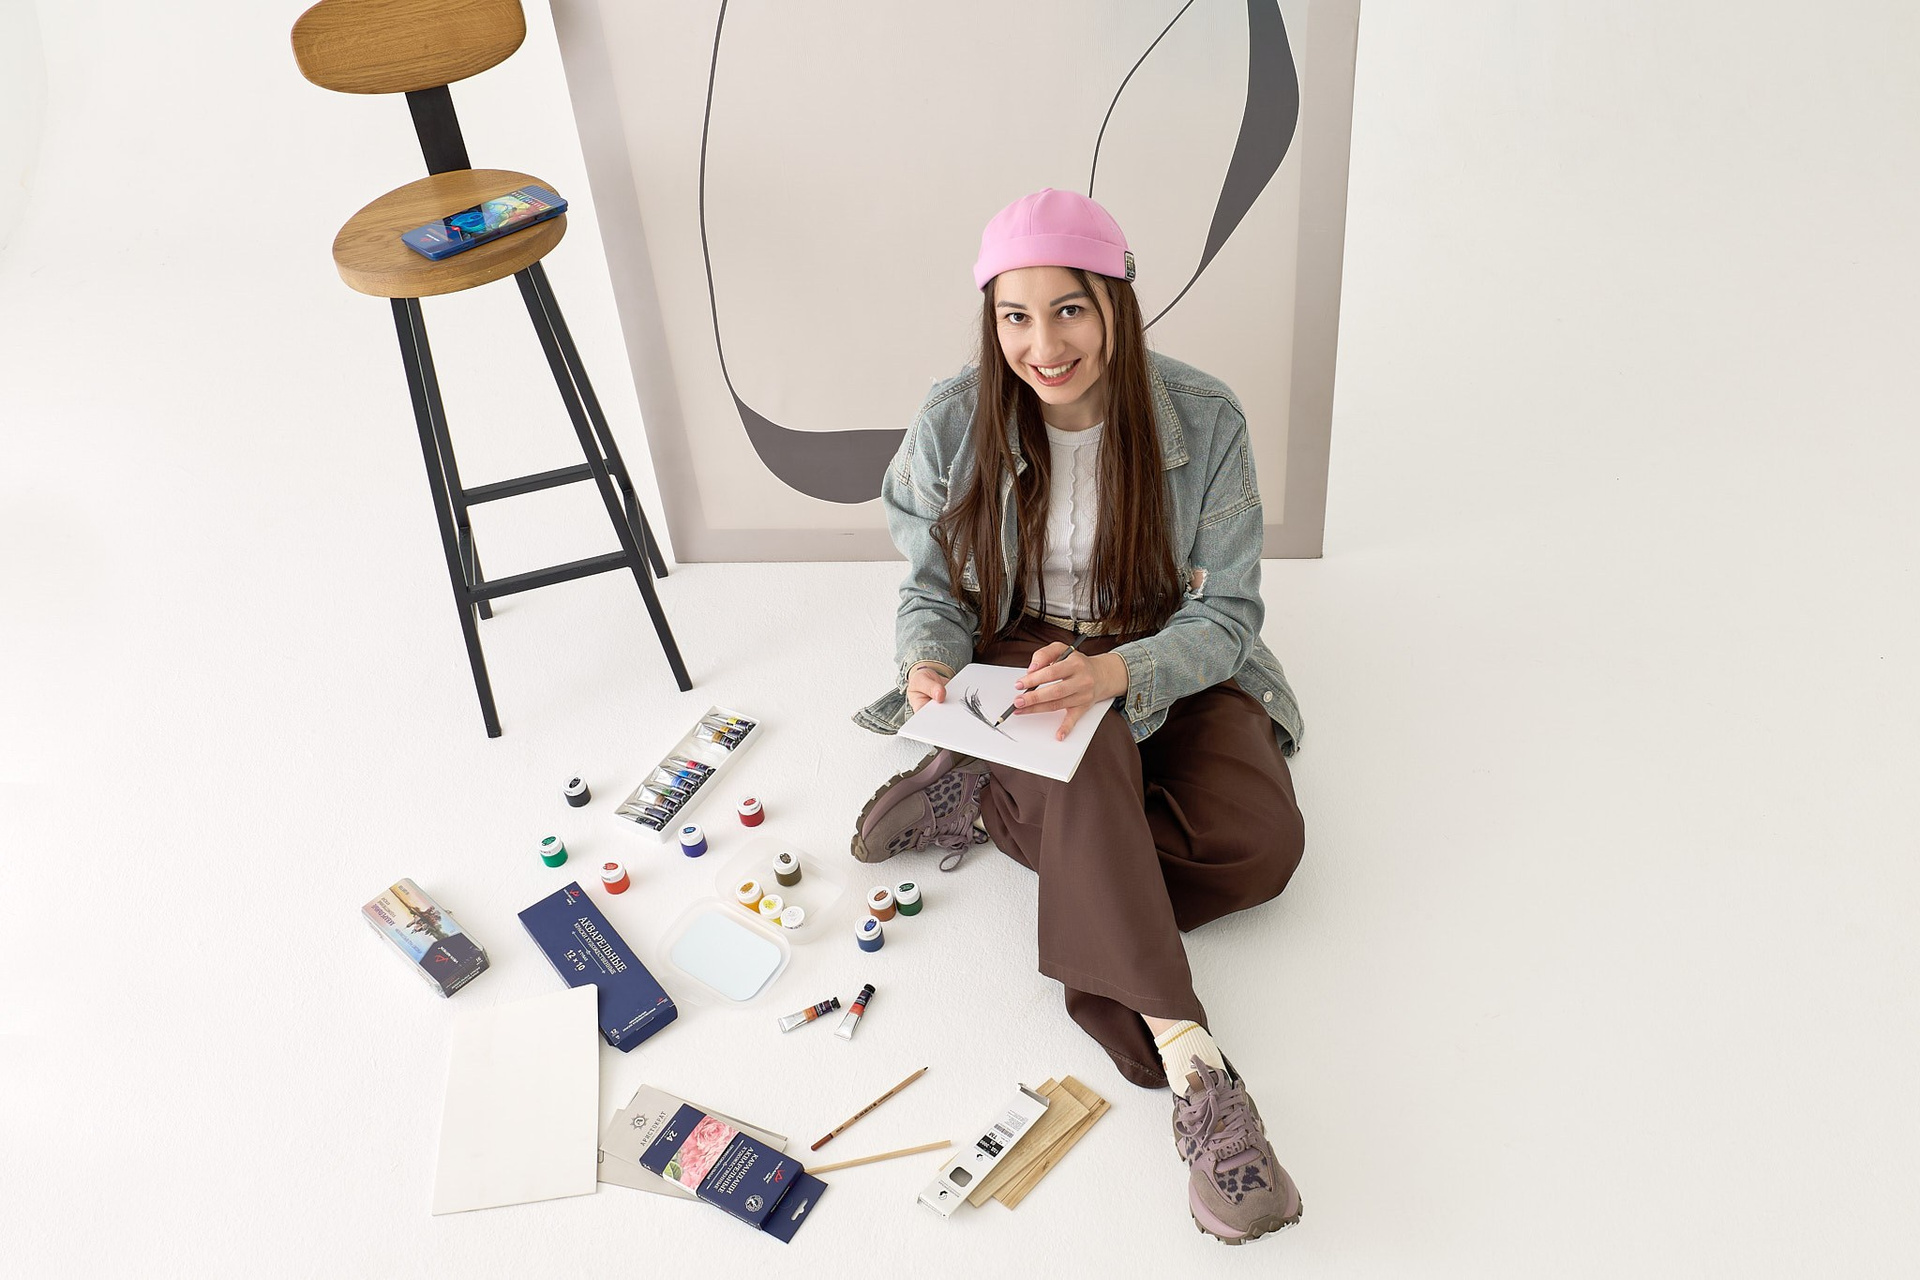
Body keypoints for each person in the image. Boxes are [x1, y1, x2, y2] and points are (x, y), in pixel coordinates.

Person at [850, 188, 1308, 1244]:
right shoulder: (953, 419)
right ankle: (1192, 1062)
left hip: (1159, 649)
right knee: (1083, 736)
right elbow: (930, 591)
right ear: (991, 317)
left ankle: (989, 799)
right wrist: (930, 662)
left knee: (1261, 848)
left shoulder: (1205, 417)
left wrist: (1120, 670)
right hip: (1024, 648)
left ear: (1116, 305)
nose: (1044, 345)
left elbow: (1227, 616)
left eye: (1070, 310)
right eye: (1016, 316)